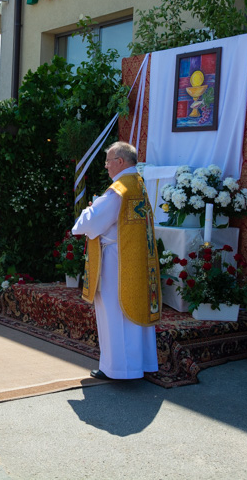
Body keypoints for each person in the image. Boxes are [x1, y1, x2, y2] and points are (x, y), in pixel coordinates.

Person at [72, 141, 161, 380]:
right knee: (134, 311)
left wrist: (87, 210)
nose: (106, 166)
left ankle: (119, 369)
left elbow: (87, 224)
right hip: (135, 258)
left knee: (113, 313)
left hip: (116, 262)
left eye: (108, 161)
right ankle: (141, 364)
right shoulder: (139, 185)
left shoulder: (118, 190)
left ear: (120, 162)